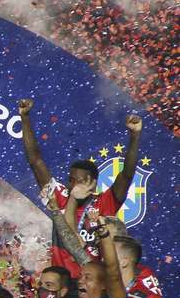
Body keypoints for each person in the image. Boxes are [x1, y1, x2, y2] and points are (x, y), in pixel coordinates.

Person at [18, 99, 142, 278]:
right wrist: (25, 117)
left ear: (94, 183)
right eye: (71, 180)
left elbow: (127, 174)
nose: (74, 185)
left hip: (93, 281)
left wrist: (134, 137)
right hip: (62, 281)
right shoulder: (59, 195)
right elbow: (35, 161)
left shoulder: (105, 203)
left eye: (81, 181)